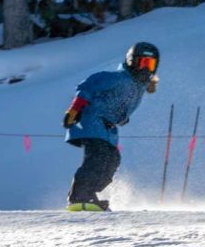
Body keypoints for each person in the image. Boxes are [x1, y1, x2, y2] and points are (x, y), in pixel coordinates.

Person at [62, 42, 160, 211]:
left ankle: (89, 193)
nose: (145, 68)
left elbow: (121, 105)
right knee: (98, 158)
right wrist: (74, 109)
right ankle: (79, 196)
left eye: (150, 64)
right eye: (142, 63)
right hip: (92, 121)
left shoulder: (139, 86)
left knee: (112, 160)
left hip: (107, 129)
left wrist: (122, 117)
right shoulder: (118, 78)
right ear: (131, 61)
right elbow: (88, 86)